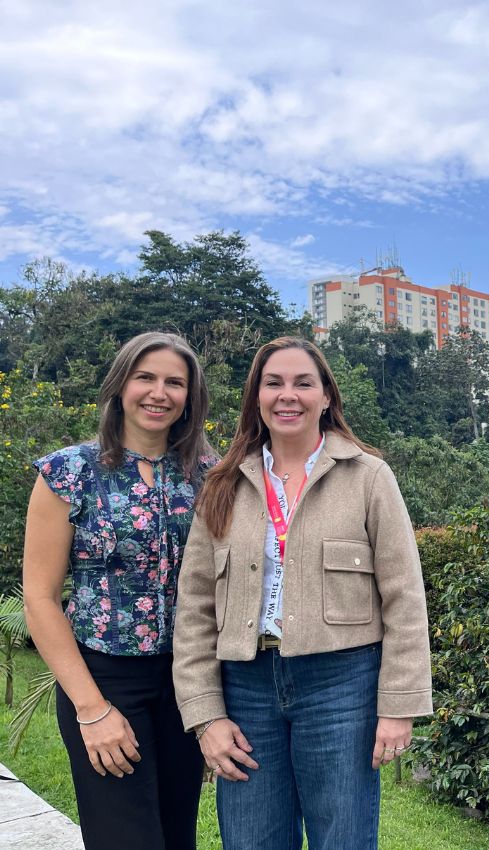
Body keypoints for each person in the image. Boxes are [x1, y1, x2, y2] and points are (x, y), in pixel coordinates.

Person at [173, 337, 432, 850]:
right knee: (250, 839)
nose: (287, 395)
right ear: (256, 397)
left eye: (302, 383)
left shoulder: (368, 477)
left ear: (327, 397)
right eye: (273, 383)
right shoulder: (223, 484)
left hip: (342, 684)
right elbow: (195, 608)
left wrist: (398, 705)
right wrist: (206, 716)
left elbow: (404, 596)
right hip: (245, 687)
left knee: (344, 838)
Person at [22, 332, 216, 850]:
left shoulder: (208, 475)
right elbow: (39, 597)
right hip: (104, 679)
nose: (159, 393)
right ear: (120, 385)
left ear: (189, 398)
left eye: (175, 382)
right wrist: (92, 708)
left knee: (178, 837)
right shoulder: (69, 472)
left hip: (187, 680)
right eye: (145, 377)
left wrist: (212, 707)